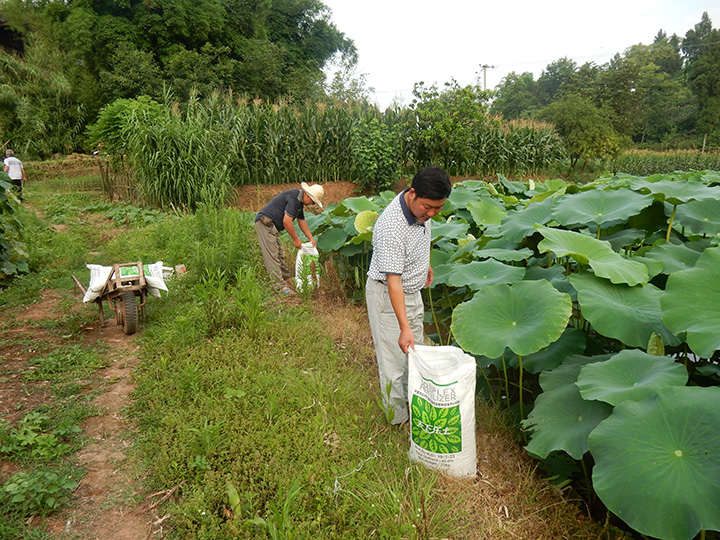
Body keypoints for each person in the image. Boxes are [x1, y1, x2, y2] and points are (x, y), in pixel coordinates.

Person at [366, 165, 452, 425]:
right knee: (393, 363)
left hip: (412, 290)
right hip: (389, 296)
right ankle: (397, 420)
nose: (432, 214)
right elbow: (393, 282)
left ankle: (415, 408)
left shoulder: (421, 211)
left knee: (414, 357)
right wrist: (404, 327)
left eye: (438, 208)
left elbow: (420, 239)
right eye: (428, 207)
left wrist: (423, 264)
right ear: (412, 193)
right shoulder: (391, 226)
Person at [255, 182, 324, 295]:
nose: (312, 204)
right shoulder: (294, 199)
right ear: (308, 196)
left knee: (279, 254)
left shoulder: (299, 202)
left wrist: (310, 238)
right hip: (264, 223)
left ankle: (287, 280)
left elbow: (301, 221)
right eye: (313, 201)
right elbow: (287, 222)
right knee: (272, 256)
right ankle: (280, 286)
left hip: (272, 226)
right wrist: (296, 239)